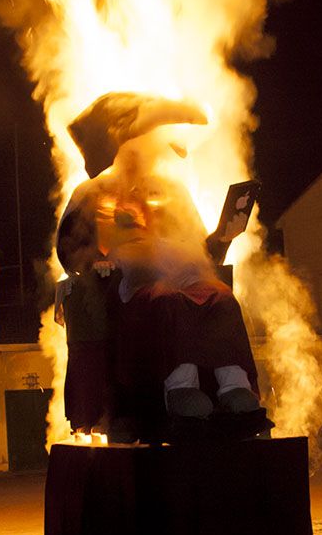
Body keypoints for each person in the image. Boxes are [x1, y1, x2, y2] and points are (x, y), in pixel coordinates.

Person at [55, 91, 266, 442]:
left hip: (181, 277)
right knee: (167, 300)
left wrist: (223, 236)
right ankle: (179, 389)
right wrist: (97, 261)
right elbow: (70, 249)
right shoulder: (91, 193)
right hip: (130, 290)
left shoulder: (173, 191)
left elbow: (201, 249)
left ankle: (234, 388)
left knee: (221, 297)